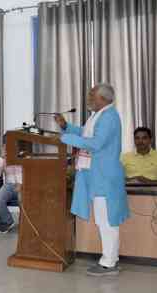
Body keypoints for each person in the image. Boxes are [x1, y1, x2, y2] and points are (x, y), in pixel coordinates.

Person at [55, 83, 129, 277]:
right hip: (97, 176)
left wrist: (65, 139)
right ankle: (110, 259)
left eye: (92, 96)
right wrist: (66, 127)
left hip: (104, 176)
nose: (89, 99)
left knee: (107, 221)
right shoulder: (98, 115)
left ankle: (109, 263)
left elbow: (96, 143)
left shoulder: (110, 117)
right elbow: (85, 133)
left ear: (103, 99)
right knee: (104, 220)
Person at [0, 135, 23, 234]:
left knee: (22, 199)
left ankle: (24, 224)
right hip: (9, 185)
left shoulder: (24, 155)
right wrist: (1, 158)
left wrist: (21, 184)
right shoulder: (3, 158)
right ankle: (8, 221)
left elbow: (30, 173)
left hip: (24, 185)